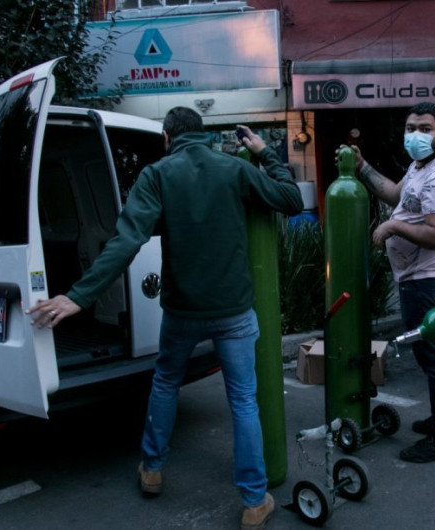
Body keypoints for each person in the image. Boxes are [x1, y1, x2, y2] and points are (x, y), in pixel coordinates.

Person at [26, 107, 303, 530]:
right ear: (203, 136)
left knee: (165, 383)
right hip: (233, 312)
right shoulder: (233, 169)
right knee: (243, 401)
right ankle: (252, 500)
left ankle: (152, 469)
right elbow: (290, 200)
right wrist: (265, 152)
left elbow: (126, 240)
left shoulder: (157, 175)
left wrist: (79, 297)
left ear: (167, 138)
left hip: (182, 312)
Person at [343, 101, 435, 463]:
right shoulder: (421, 166)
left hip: (431, 281)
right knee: (433, 356)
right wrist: (363, 166)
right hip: (420, 278)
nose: (416, 135)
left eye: (425, 128)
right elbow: (397, 195)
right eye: (411, 128)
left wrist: (394, 226)